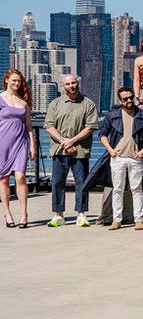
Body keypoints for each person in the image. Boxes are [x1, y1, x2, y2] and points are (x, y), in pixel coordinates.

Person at [86, 87, 143, 231]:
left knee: (137, 189)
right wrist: (111, 151)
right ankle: (117, 219)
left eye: (130, 97)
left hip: (136, 157)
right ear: (119, 100)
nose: (129, 101)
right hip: (118, 158)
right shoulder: (112, 115)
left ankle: (139, 220)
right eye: (125, 99)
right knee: (117, 189)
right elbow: (102, 135)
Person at [44, 74, 98, 227]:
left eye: (73, 83)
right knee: (57, 183)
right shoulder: (55, 104)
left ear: (78, 83)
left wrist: (72, 141)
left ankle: (81, 214)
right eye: (68, 84)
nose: (71, 86)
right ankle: (58, 214)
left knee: (82, 182)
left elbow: (90, 127)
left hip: (80, 150)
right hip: (59, 150)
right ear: (63, 86)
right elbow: (49, 126)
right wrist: (64, 142)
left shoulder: (88, 104)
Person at [0, 69, 36, 229]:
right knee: (4, 179)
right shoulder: (0, 98)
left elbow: (28, 125)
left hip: (21, 143)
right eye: (14, 80)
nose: (17, 83)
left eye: (19, 81)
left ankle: (23, 214)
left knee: (20, 177)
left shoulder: (24, 102)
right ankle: (7, 213)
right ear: (6, 80)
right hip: (2, 143)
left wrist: (32, 144)